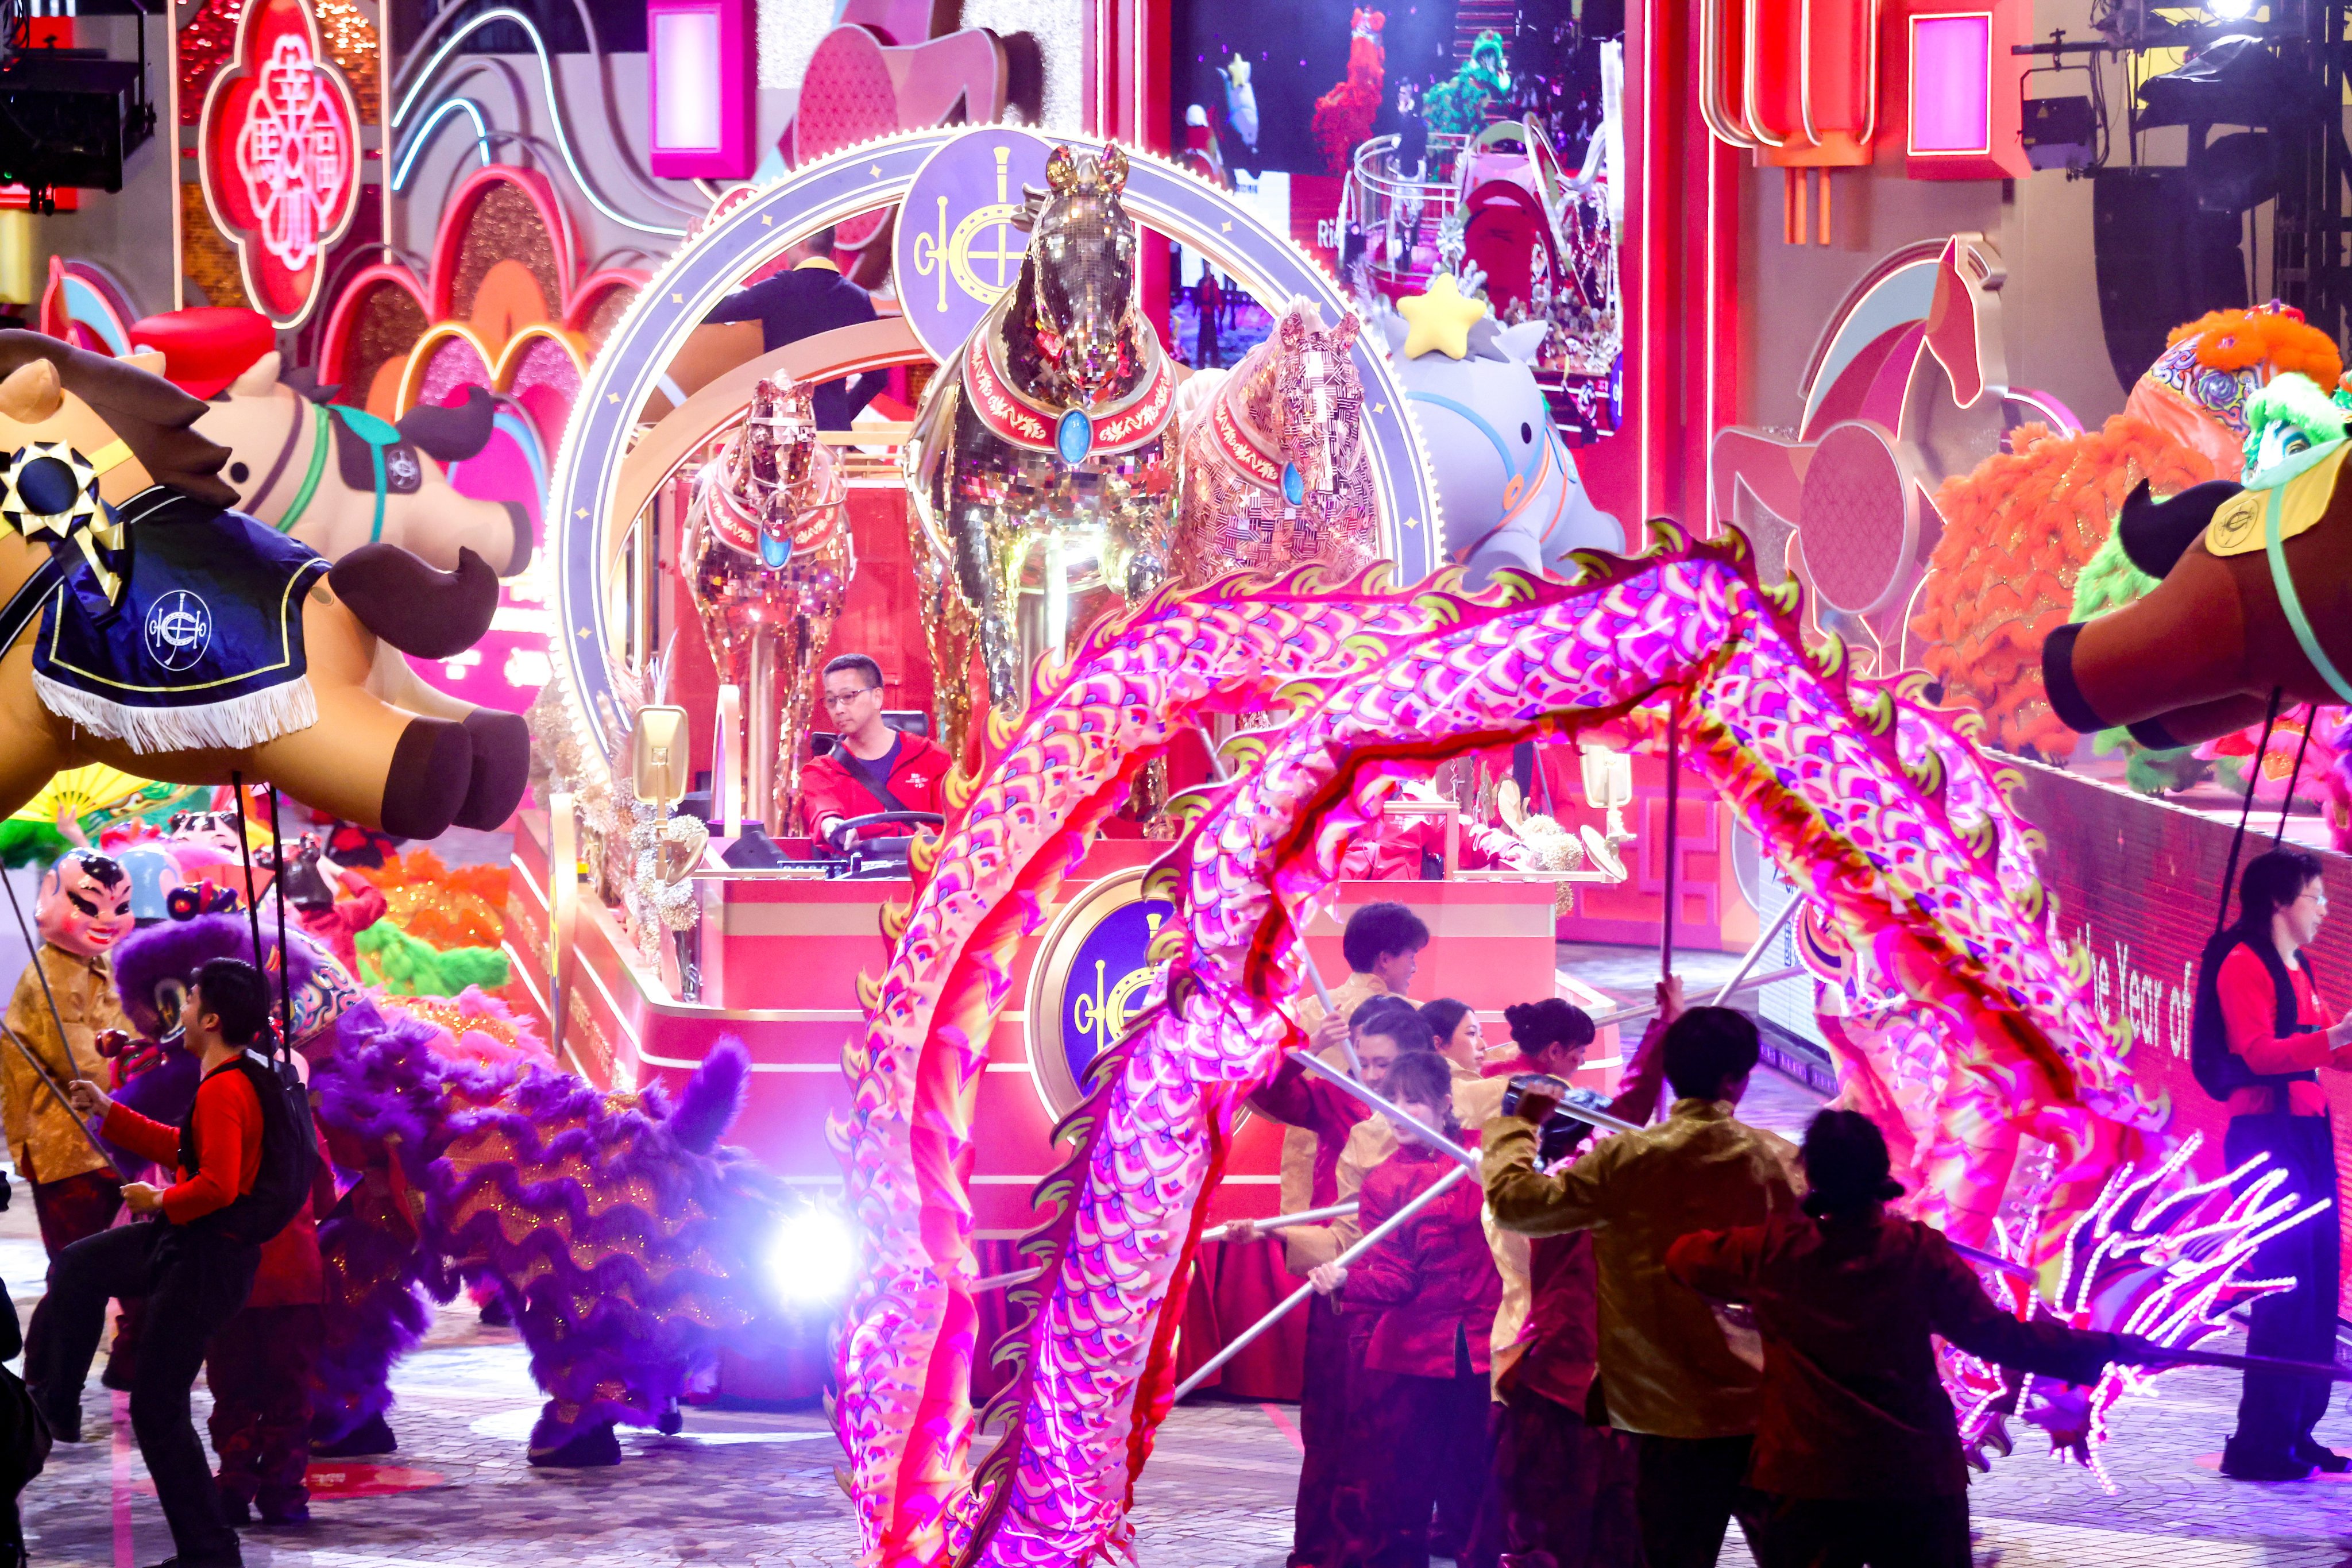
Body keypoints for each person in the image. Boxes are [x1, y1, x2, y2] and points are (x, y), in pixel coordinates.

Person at [1665, 1110, 2129, 1568]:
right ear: (1879, 1172)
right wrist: (2096, 1348)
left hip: (1809, 1477)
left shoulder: (1771, 1251)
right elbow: (1996, 1338)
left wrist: (1778, 1212)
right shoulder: (1916, 1252)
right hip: (1913, 1473)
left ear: (1810, 1172)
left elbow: (1683, 1257)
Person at [1482, 1006, 1801, 1568]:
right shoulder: (1777, 1164)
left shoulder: (1625, 1160)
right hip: (1761, 1412)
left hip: (1659, 1421)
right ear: (1738, 1079)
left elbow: (1515, 1205)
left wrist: (1518, 1123)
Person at [34, 959, 288, 1568]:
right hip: (190, 1246)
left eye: (192, 996)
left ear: (212, 1018)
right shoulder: (234, 1075)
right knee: (78, 1267)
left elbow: (219, 1185)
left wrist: (160, 1199)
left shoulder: (228, 1086)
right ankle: (56, 1403)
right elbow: (185, 1147)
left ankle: (209, 1551)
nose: (183, 1006)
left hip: (205, 1260)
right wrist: (107, 1109)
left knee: (157, 1408)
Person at [1476, 988, 1677, 1568]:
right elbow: (1629, 1114)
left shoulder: (1530, 1192)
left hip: (1558, 1368)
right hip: (1570, 1371)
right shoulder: (1564, 1197)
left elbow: (1626, 1114)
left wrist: (1662, 1032)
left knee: (1548, 1522)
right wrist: (1663, 1031)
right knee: (1586, 1524)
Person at [1244, 994, 1428, 1568]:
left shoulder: (1442, 1120)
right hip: (1339, 1284)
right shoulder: (1338, 1095)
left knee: (1395, 1444)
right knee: (1330, 1427)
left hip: (1409, 1301)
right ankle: (1323, 1549)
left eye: (1383, 1064)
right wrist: (1307, 1050)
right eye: (1365, 1062)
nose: (1371, 1076)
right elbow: (1265, 1090)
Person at [2190, 847, 2352, 1480]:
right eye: (2315, 896)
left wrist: (2341, 1043)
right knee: (2284, 1287)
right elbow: (2259, 1053)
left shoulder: (2299, 963)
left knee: (2316, 1285)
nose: (2325, 909)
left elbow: (2323, 1049)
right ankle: (2259, 1445)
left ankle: (2297, 1430)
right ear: (2281, 902)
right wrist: (2335, 1039)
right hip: (2266, 1138)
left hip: (2307, 1134)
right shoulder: (2241, 963)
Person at [1313, 1051, 1499, 1568]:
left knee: (1478, 1493)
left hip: (1486, 1350)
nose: (1397, 1114)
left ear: (1443, 1104)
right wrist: (1347, 1280)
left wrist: (1497, 1178)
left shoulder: (1485, 1160)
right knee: (1403, 1495)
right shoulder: (1382, 1183)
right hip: (1412, 1360)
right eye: (1388, 1102)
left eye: (1411, 1101)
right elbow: (1398, 1278)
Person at [5, 849, 132, 1377]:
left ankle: (115, 1364)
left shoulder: (102, 966)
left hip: (112, 1141)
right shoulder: (51, 977)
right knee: (78, 1271)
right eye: (90, 904)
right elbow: (86, 1066)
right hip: (68, 1146)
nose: (107, 919)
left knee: (113, 1264)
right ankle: (50, 1384)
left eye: (120, 906)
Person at [206, 1085, 334, 1527]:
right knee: (290, 1390)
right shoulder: (303, 1123)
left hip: (232, 1274)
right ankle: (282, 1490)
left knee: (233, 1388)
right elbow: (328, 1198)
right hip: (295, 1277)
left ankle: (235, 1481)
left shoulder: (218, 1112)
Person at [701, 227, 885, 431]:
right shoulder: (856, 298)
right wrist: (840, 415)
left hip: (781, 430)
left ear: (802, 243)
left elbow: (711, 311)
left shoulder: (780, 289)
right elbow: (878, 377)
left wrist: (699, 260)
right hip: (831, 434)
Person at [799, 654, 954, 847]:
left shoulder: (931, 757)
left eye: (848, 697)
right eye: (831, 701)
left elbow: (954, 830)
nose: (838, 709)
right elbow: (824, 812)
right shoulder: (821, 771)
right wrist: (834, 828)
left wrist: (935, 841)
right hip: (856, 873)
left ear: (877, 697)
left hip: (925, 872)